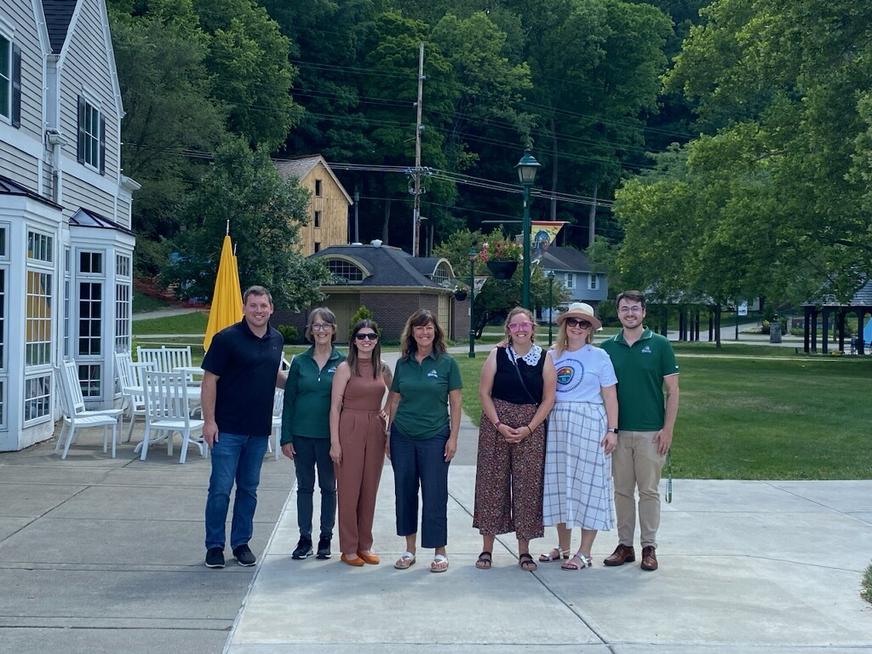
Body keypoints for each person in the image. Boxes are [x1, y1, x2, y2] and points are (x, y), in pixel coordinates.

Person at [202, 285, 285, 569]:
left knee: (248, 490)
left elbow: (273, 373)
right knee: (220, 489)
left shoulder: (277, 339)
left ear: (271, 309)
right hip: (227, 430)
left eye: (263, 306)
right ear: (244, 308)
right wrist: (209, 421)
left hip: (258, 431)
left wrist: (304, 383)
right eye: (253, 306)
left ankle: (241, 544)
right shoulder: (226, 339)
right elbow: (209, 380)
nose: (259, 311)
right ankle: (214, 546)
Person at [600, 290, 680, 572]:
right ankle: (625, 546)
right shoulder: (607, 348)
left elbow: (673, 391)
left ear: (644, 312)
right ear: (618, 313)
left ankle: (649, 547)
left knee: (648, 491)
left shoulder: (660, 345)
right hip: (618, 432)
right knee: (621, 491)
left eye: (635, 308)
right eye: (624, 308)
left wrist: (667, 430)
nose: (630, 313)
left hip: (651, 433)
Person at [473, 308, 556, 572]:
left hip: (530, 428)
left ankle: (524, 550)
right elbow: (484, 393)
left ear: (533, 328)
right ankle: (487, 548)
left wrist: (530, 428)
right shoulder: (497, 354)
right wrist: (498, 424)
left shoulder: (544, 358)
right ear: (508, 329)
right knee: (491, 485)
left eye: (525, 325)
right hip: (496, 426)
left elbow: (548, 398)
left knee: (527, 488)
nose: (520, 330)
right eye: (515, 325)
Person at [540, 302, 619, 571]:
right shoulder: (552, 355)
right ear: (564, 325)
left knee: (588, 486)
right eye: (572, 322)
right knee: (559, 484)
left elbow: (610, 396)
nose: (577, 327)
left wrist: (612, 430)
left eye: (583, 323)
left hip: (589, 424)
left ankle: (584, 552)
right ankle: (563, 548)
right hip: (557, 425)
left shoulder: (599, 356)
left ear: (590, 329)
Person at [386, 309, 462, 573]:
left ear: (435, 331)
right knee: (405, 492)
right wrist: (388, 435)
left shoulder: (447, 363)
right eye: (419, 328)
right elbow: (395, 400)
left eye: (429, 327)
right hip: (402, 437)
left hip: (435, 436)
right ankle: (409, 549)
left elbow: (456, 402)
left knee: (435, 494)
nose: (424, 332)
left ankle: (439, 551)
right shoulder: (403, 364)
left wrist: (453, 438)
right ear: (412, 332)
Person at [281, 308, 344, 561]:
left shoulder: (342, 362)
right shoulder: (300, 362)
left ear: (333, 329)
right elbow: (289, 401)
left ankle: (325, 537)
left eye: (325, 325)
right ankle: (304, 538)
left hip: (329, 438)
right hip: (301, 436)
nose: (321, 330)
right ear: (310, 330)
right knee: (305, 487)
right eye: (316, 325)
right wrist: (286, 437)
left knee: (328, 487)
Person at [329, 319, 392, 566]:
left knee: (369, 489)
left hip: (375, 427)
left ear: (377, 340)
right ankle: (348, 548)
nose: (367, 340)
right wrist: (335, 442)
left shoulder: (382, 368)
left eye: (371, 336)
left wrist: (387, 411)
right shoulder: (345, 368)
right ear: (354, 340)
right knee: (349, 490)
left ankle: (365, 545)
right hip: (350, 426)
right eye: (362, 336)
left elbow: (396, 393)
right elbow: (335, 407)